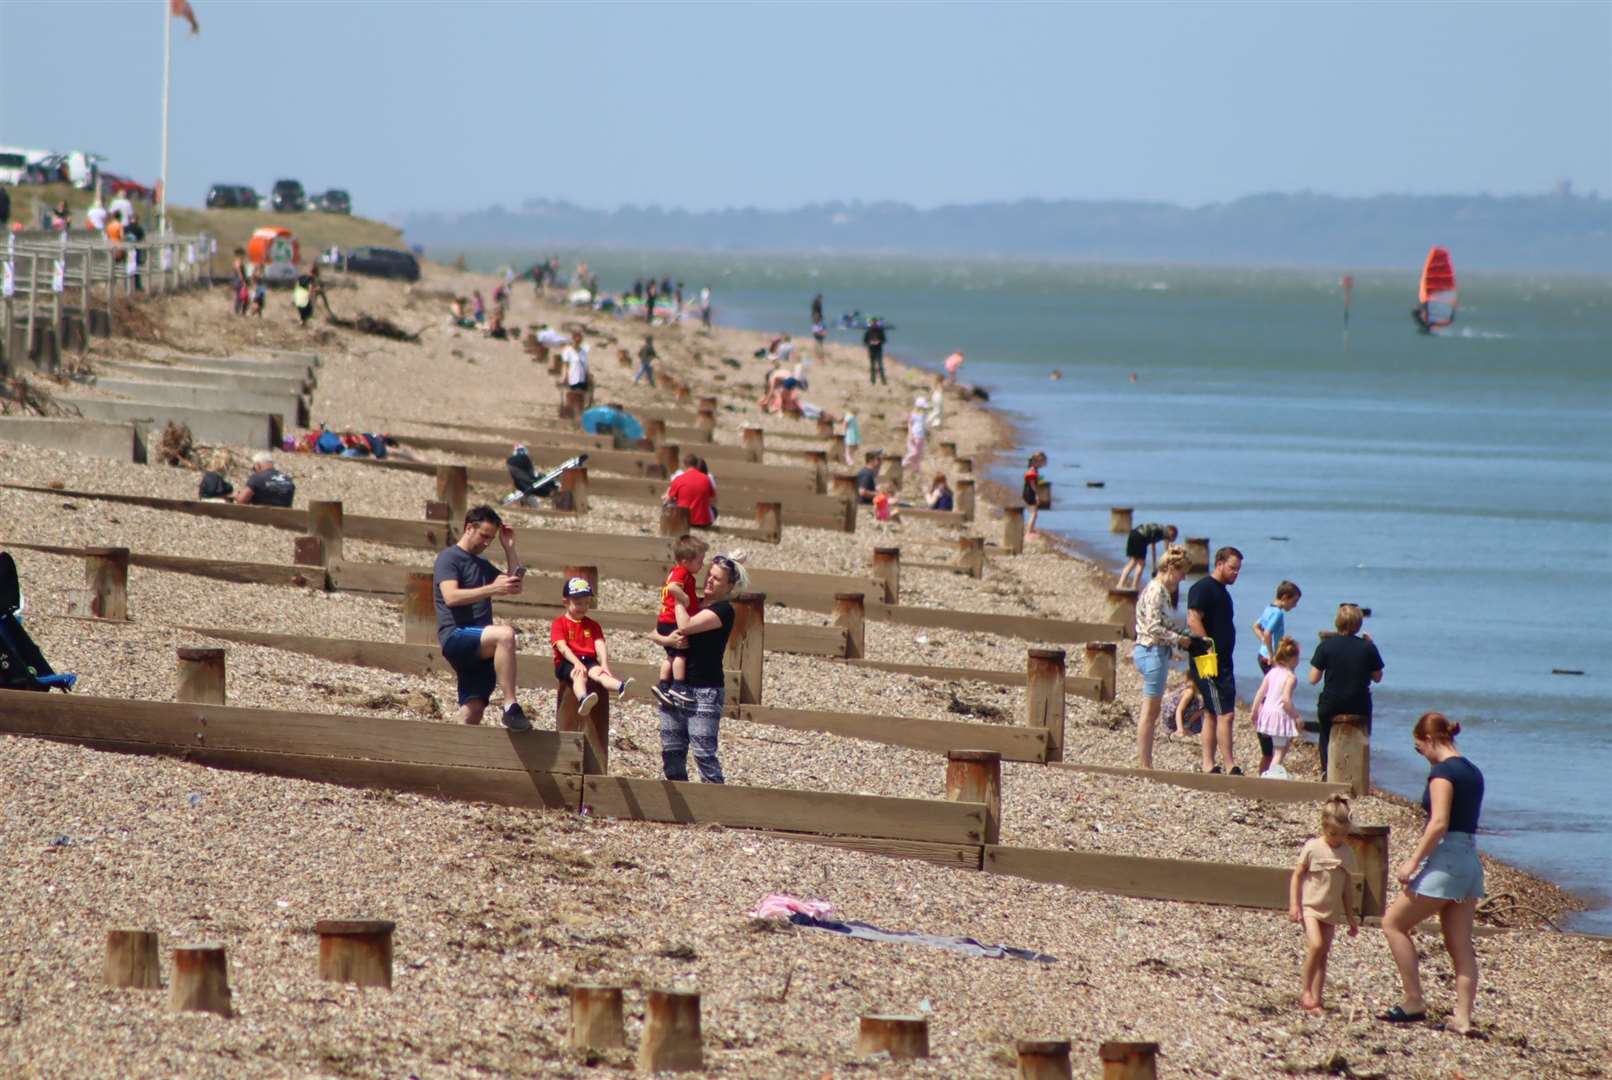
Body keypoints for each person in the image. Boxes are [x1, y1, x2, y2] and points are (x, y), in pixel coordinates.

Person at [1380, 712, 1485, 1034]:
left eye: (1418, 748)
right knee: (1460, 944)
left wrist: (1412, 862)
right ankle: (1463, 1018)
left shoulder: (1442, 773)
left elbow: (1438, 823)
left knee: (1393, 923)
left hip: (1447, 860)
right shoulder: (1472, 771)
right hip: (1469, 860)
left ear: (1430, 740)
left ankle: (1413, 1000)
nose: (1421, 755)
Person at [649, 552, 748, 783]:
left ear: (730, 586)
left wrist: (679, 599)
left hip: (705, 690)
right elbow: (656, 631)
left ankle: (714, 808)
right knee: (671, 753)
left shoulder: (724, 610)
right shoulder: (693, 600)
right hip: (674, 687)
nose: (710, 581)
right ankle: (683, 813)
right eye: (709, 575)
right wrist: (667, 641)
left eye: (717, 579)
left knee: (704, 754)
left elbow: (685, 626)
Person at [433, 506, 530, 731]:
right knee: (505, 634)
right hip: (456, 636)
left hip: (481, 643)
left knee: (474, 708)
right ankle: (510, 705)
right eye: (484, 536)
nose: (487, 542)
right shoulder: (449, 558)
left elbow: (514, 586)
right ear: (469, 528)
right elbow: (451, 597)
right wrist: (491, 589)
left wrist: (509, 548)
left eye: (491, 539)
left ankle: (452, 750)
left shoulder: (483, 565)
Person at [1289, 796, 1361, 1016]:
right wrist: (1295, 905)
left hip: (1331, 911)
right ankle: (1305, 991)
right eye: (1333, 834)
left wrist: (1350, 916)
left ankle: (1317, 999)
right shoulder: (1313, 847)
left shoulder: (1346, 853)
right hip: (1310, 907)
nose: (1337, 839)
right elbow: (1297, 876)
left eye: (1342, 834)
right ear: (1324, 827)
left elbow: (1347, 887)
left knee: (1324, 954)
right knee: (1316, 945)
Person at [1132, 545, 1197, 769]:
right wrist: (1178, 640)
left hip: (1154, 651)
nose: (1183, 577)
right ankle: (1145, 765)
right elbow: (1153, 627)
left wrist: (1182, 638)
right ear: (1170, 567)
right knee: (1149, 712)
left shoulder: (1161, 591)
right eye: (1182, 572)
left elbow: (1165, 623)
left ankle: (1146, 762)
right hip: (1151, 652)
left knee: (1152, 710)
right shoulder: (1156, 590)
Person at [1308, 604, 1384, 777]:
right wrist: (1370, 645)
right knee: (1361, 735)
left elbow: (1313, 679)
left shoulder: (1326, 646)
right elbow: (1378, 677)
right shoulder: (1367, 647)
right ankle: (1356, 772)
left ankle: (1327, 771)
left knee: (1325, 735)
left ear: (1338, 623)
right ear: (1358, 624)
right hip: (1358, 703)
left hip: (1331, 703)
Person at [1187, 545, 1244, 774]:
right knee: (1226, 713)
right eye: (1232, 568)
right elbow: (1193, 619)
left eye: (1239, 569)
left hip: (1225, 660)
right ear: (1219, 563)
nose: (1236, 573)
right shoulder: (1203, 588)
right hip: (1209, 660)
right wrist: (1207, 646)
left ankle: (1209, 764)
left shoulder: (1223, 592)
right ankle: (1230, 764)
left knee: (1212, 712)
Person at [551, 577, 631, 717]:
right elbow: (562, 647)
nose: (583, 607)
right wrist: (576, 663)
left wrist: (604, 664)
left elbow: (599, 644)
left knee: (599, 673)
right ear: (566, 602)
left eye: (587, 603)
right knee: (579, 675)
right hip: (566, 661)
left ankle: (620, 687)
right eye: (578, 603)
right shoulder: (559, 623)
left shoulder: (593, 625)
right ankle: (583, 699)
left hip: (588, 659)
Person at [653, 534, 707, 708]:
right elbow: (672, 587)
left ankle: (663, 685)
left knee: (670, 655)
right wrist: (683, 597)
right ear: (685, 561)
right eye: (699, 561)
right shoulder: (681, 572)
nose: (702, 565)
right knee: (681, 653)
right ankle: (678, 685)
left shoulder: (680, 572)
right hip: (671, 621)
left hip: (664, 620)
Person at [1251, 636, 1302, 777]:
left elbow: (1260, 693)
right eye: (1298, 658)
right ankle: (1271, 777)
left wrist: (1254, 711)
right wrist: (1296, 716)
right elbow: (1286, 700)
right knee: (1279, 751)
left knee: (1278, 748)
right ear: (1292, 659)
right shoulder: (1291, 677)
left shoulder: (1271, 672)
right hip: (1279, 715)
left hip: (1266, 713)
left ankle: (1271, 774)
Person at [1254, 580, 1303, 675]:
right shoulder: (1278, 613)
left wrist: (1263, 640)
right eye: (1294, 601)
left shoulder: (1269, 608)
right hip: (1269, 657)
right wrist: (1271, 655)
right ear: (1284, 597)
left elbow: (1256, 626)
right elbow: (1268, 633)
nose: (1295, 605)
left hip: (1261, 655)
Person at [1117, 523, 1179, 591]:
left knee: (1132, 562)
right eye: (1174, 537)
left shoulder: (1161, 529)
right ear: (1171, 533)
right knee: (1141, 564)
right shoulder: (1164, 533)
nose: (1173, 540)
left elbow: (1165, 548)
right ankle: (1134, 587)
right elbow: (1154, 548)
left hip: (1133, 534)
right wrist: (1154, 566)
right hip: (1141, 537)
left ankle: (1120, 584)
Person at [665, 451, 716, 526]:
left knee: (668, 505)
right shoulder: (706, 479)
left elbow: (668, 500)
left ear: (684, 465)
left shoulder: (678, 479)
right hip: (703, 522)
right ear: (696, 464)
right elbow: (713, 501)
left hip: (683, 521)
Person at [1022, 452, 1047, 538]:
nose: (1044, 464)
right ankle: (1028, 532)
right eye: (1043, 462)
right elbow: (1032, 484)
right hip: (1030, 493)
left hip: (1028, 492)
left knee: (1034, 512)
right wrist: (1037, 495)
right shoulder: (1032, 471)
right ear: (1037, 461)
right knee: (1034, 513)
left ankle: (1030, 529)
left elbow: (1037, 481)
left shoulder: (1034, 470)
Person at [903, 396, 928, 473]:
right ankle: (904, 462)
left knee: (919, 455)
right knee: (914, 452)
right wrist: (911, 434)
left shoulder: (924, 415)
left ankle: (916, 470)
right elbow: (909, 425)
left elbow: (924, 425)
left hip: (921, 437)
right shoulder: (913, 414)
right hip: (914, 435)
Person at [863, 317, 888, 385]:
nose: (874, 324)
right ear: (871, 323)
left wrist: (878, 342)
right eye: (873, 323)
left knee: (880, 365)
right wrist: (870, 342)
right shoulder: (868, 331)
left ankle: (883, 381)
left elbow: (884, 340)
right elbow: (865, 341)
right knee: (872, 366)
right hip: (871, 350)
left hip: (878, 350)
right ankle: (873, 380)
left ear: (877, 323)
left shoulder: (880, 331)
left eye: (875, 323)